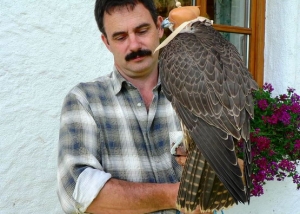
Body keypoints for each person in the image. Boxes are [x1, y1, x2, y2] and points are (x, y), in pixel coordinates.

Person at [57, 0, 194, 213]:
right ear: (106, 42)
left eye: (142, 30)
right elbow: (77, 192)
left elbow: (236, 166)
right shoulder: (85, 100)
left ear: (159, 27)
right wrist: (178, 195)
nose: (134, 45)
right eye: (120, 37)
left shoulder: (197, 94)